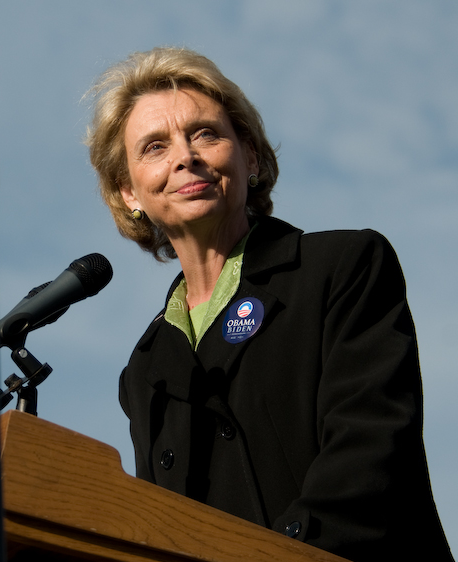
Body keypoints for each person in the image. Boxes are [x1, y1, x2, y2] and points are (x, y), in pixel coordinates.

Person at [85, 47, 453, 561]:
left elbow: (369, 455)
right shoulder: (146, 370)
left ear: (250, 157)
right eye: (154, 146)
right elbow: (165, 526)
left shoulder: (342, 267)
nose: (184, 156)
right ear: (129, 193)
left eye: (205, 134)